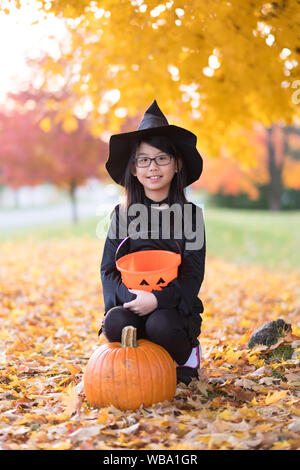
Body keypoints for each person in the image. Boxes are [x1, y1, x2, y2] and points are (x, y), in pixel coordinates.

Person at [98, 100, 206, 385]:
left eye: (161, 158)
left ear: (177, 163)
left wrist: (157, 299)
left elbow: (193, 273)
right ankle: (143, 364)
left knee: (161, 324)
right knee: (115, 323)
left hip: (172, 307)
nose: (152, 167)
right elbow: (108, 270)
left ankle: (186, 354)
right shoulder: (122, 216)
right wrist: (135, 300)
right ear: (134, 169)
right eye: (143, 160)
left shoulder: (191, 217)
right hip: (132, 300)